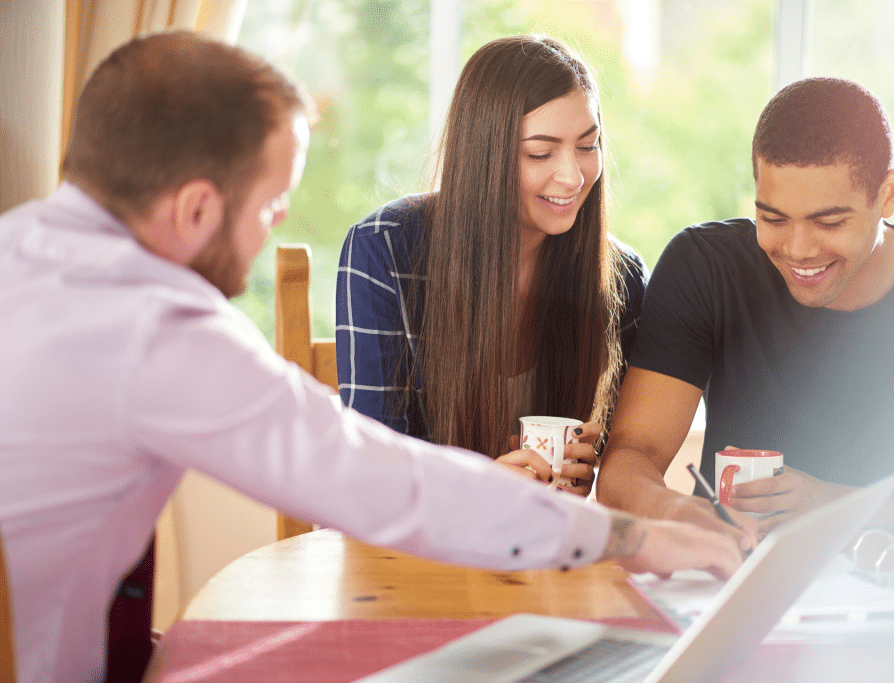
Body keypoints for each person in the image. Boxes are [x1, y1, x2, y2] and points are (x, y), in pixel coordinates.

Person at [0, 31, 750, 683]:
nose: (276, 224)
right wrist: (640, 537)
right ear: (197, 208)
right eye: (271, 205)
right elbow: (374, 475)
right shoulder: (160, 325)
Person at [597, 77, 894, 559]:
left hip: (893, 604)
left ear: (887, 195)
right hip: (723, 585)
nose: (798, 250)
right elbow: (626, 465)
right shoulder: (706, 267)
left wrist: (839, 507)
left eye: (829, 222)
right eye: (773, 219)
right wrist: (673, 512)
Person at [335, 35, 647, 496]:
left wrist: (584, 471)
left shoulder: (618, 276)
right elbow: (371, 477)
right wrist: (479, 493)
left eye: (588, 145)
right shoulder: (385, 251)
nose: (573, 176)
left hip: (539, 554)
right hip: (410, 558)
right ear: (484, 155)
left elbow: (625, 463)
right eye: (540, 152)